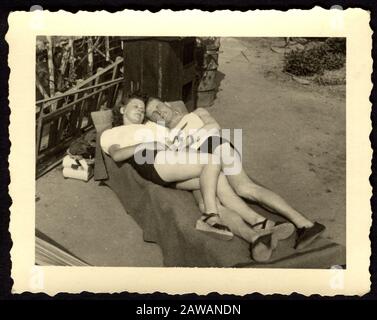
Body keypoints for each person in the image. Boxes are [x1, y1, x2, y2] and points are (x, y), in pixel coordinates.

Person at [100, 93, 290, 261]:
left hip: (173, 161)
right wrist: (146, 146)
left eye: (142, 109)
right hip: (151, 161)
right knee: (211, 162)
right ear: (122, 109)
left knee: (217, 188)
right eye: (135, 106)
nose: (140, 111)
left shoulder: (152, 126)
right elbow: (117, 155)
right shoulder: (112, 133)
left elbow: (176, 137)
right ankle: (210, 217)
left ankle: (256, 232)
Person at [145, 97, 326, 250]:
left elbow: (213, 127)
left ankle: (305, 224)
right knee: (214, 200)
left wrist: (186, 143)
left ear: (167, 104)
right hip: (202, 162)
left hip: (214, 146)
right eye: (153, 113)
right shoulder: (167, 136)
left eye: (158, 106)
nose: (159, 112)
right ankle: (260, 228)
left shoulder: (195, 113)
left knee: (244, 187)